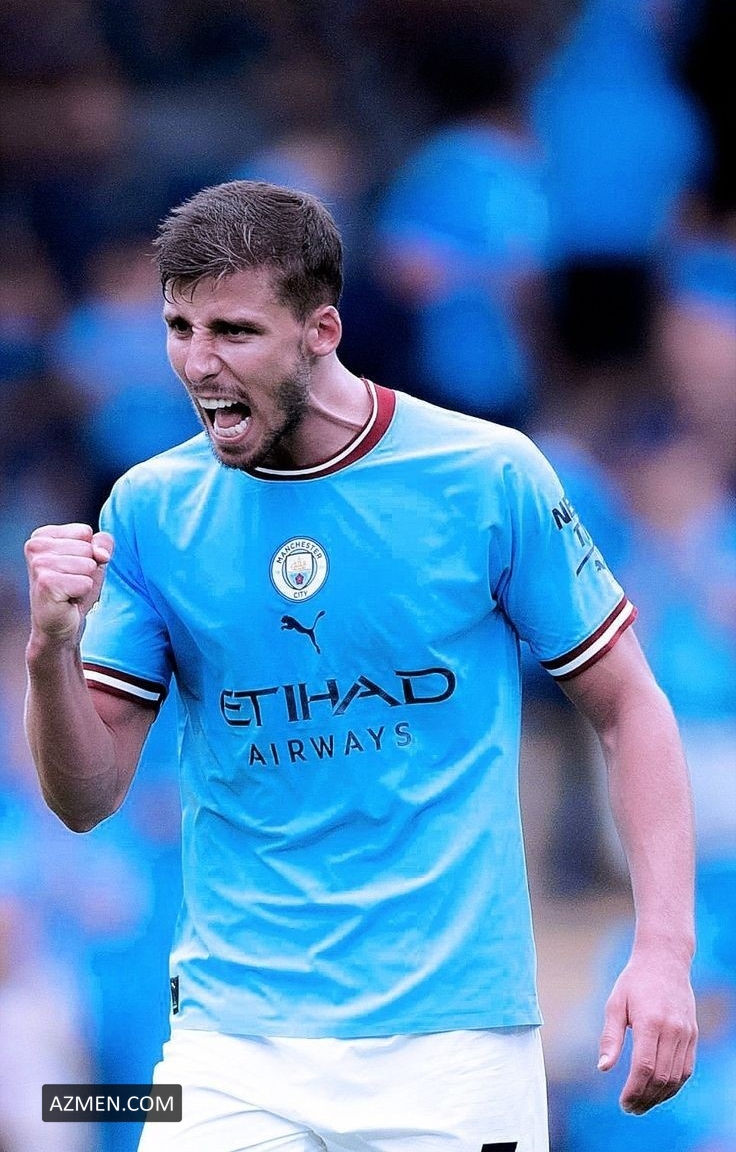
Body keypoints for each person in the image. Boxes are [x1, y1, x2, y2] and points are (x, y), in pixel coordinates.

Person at [24, 180, 697, 1152]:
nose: (199, 362)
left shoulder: (486, 476)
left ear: (321, 330)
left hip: (452, 1042)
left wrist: (664, 951)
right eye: (179, 327)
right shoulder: (150, 509)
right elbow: (85, 798)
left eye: (234, 330)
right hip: (233, 1043)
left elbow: (629, 706)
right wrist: (50, 649)